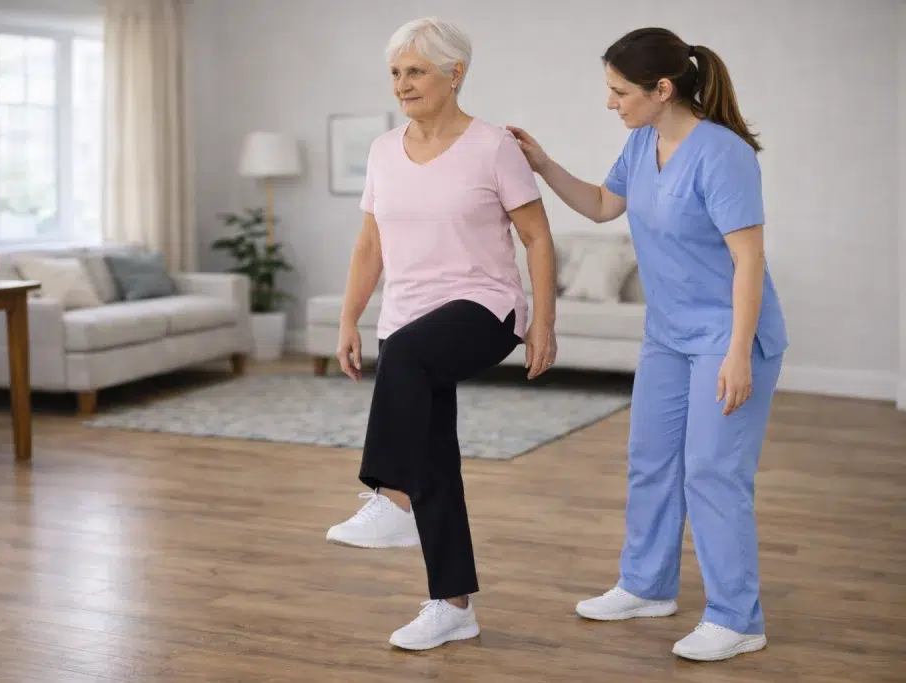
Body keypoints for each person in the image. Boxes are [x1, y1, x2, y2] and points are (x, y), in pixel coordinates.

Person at [508, 27, 787, 662]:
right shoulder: (642, 142)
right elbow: (605, 206)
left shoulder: (724, 155)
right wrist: (544, 164)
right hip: (667, 334)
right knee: (652, 460)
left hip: (727, 331)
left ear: (663, 90)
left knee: (714, 471)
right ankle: (646, 585)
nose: (611, 102)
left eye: (619, 91)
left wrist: (739, 352)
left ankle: (737, 617)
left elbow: (749, 261)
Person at [324, 17, 558, 651]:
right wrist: (349, 318)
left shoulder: (491, 147)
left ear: (456, 74)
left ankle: (393, 497)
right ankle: (452, 604)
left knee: (409, 362)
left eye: (416, 71)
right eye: (397, 73)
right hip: (409, 320)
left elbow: (536, 236)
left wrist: (544, 323)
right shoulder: (382, 151)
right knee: (435, 454)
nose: (403, 84)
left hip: (485, 308)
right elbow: (370, 243)